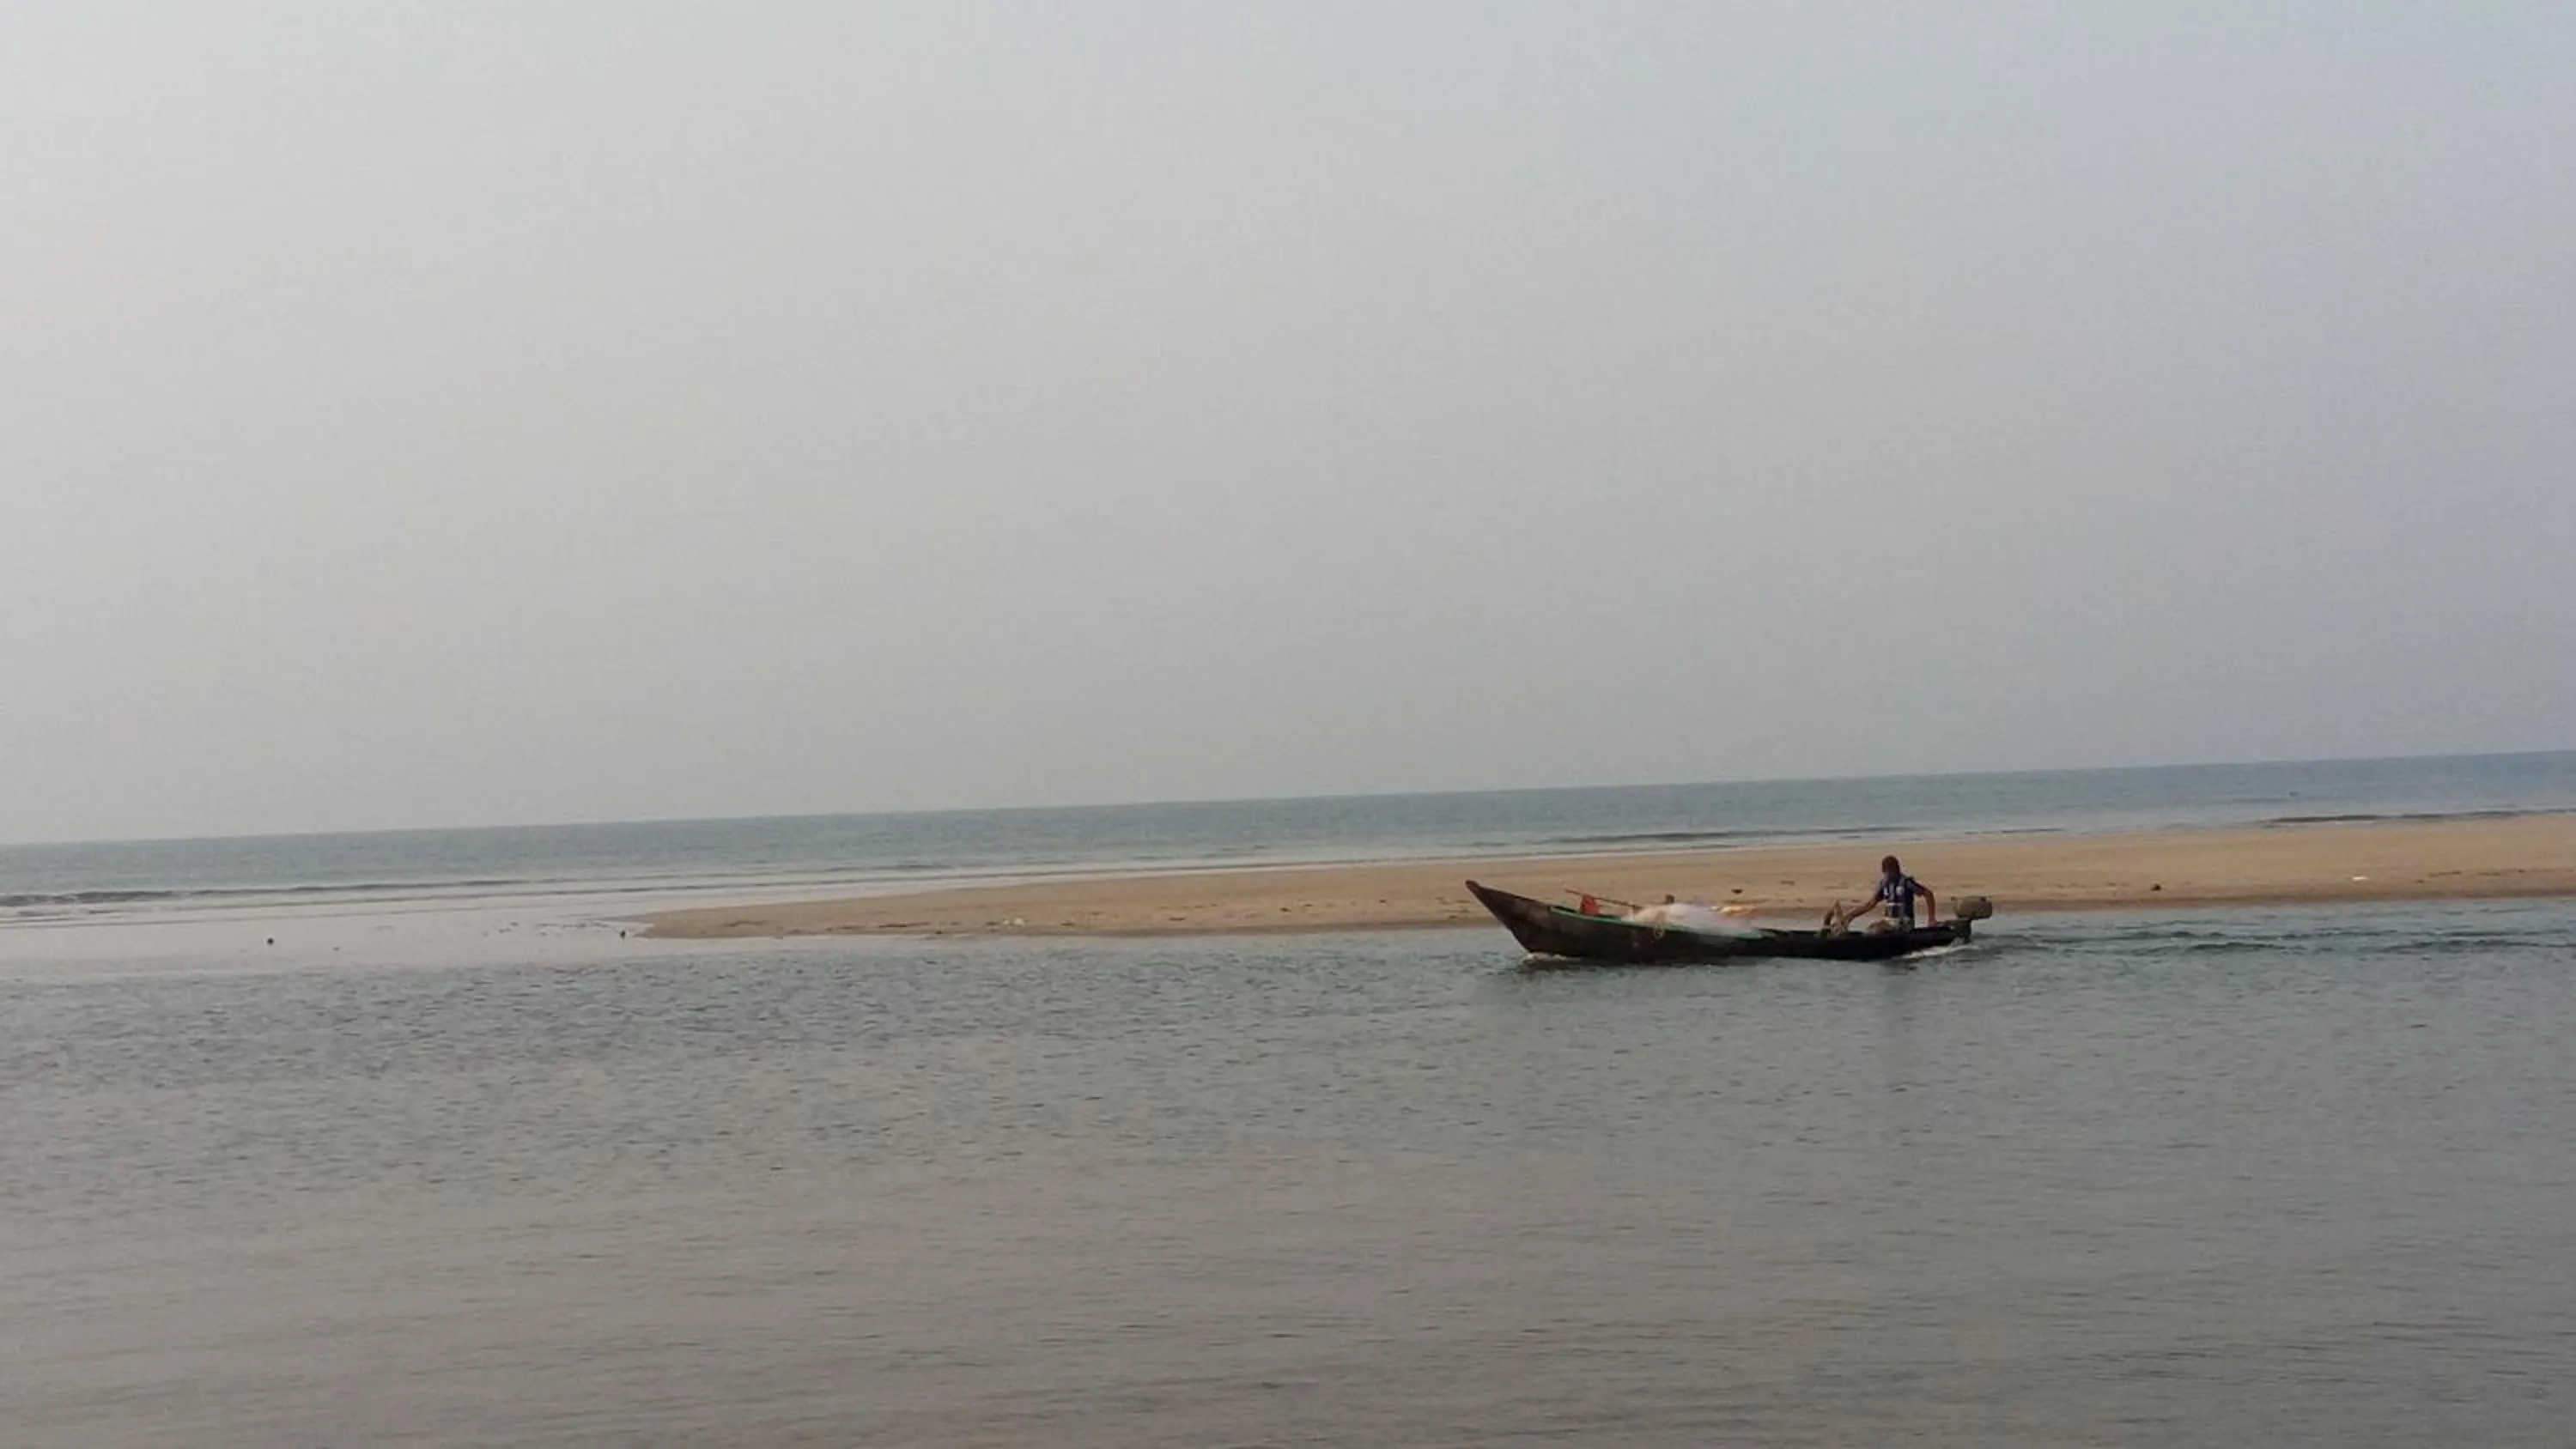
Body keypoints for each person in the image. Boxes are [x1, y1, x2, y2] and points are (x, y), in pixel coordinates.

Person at [1838, 855, 1935, 934]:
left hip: (1904, 922)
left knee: (1878, 929)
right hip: (1889, 921)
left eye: (1887, 873)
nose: (1885, 875)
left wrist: (1931, 919)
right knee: (1871, 928)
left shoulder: (1906, 882)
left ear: (1894, 870)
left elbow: (1928, 894)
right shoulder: (1885, 884)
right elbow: (1870, 904)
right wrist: (1850, 916)